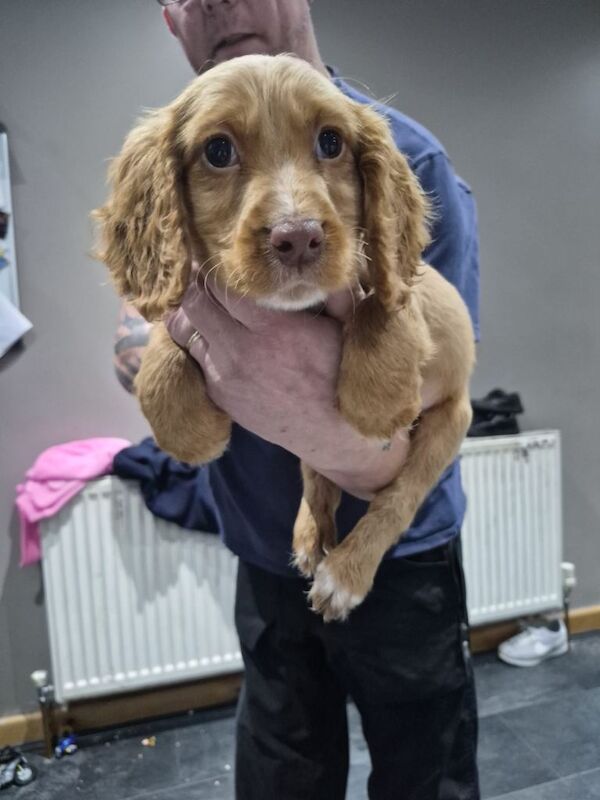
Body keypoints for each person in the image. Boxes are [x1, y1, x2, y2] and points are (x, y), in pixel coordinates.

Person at [114, 1, 481, 798]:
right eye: (220, 152)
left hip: (404, 555)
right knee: (281, 776)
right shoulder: (166, 169)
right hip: (262, 546)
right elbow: (144, 320)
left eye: (328, 148)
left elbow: (412, 416)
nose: (220, 6)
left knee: (426, 779)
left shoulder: (409, 158)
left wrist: (275, 389)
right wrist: (160, 349)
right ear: (170, 18)